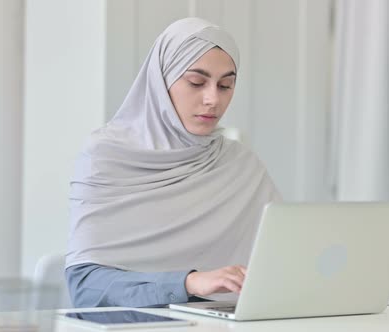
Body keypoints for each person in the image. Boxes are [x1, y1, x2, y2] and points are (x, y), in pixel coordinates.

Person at [65, 17, 281, 308]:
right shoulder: (106, 154)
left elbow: (285, 260)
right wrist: (188, 281)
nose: (212, 99)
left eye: (226, 85)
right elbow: (87, 287)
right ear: (161, 80)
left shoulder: (240, 164)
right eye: (196, 82)